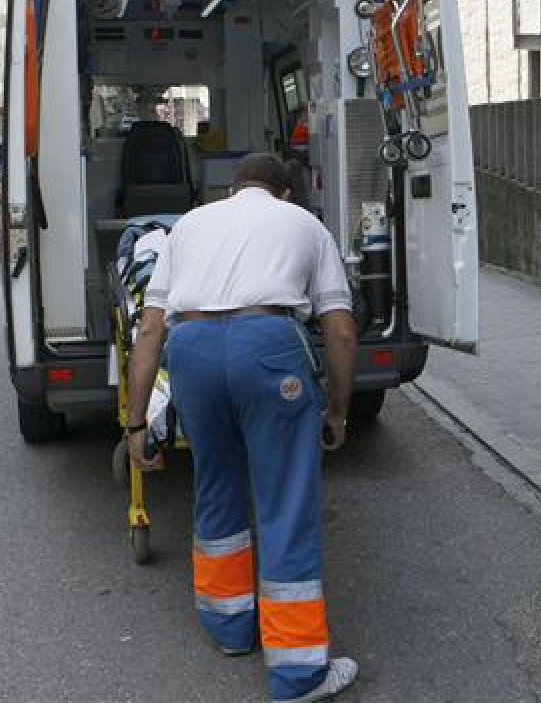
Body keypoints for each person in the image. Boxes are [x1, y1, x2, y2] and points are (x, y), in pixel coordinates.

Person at [126, 152, 359, 703]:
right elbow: (342, 332)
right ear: (284, 193)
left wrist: (137, 424)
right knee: (285, 505)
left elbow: (150, 331)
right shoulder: (304, 223)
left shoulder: (189, 225)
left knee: (216, 487)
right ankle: (299, 674)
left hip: (192, 352)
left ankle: (230, 627)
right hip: (269, 350)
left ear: (233, 189)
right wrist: (338, 410)